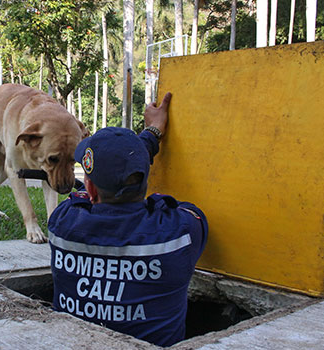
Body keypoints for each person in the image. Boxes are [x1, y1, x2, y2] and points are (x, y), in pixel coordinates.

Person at [48, 92, 208, 347]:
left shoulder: (63, 221)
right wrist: (154, 133)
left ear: (89, 190)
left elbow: (77, 197)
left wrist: (151, 134)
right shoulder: (182, 230)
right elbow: (192, 212)